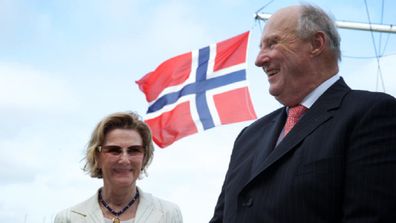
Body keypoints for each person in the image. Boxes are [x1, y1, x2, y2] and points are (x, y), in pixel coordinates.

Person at [210, 4, 396, 223]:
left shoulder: (371, 114)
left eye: (272, 43)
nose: (259, 60)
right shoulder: (248, 137)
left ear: (316, 44)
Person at [55, 112, 183, 223]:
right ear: (97, 157)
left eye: (134, 150)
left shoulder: (168, 214)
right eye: (114, 150)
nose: (124, 160)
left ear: (144, 158)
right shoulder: (69, 218)